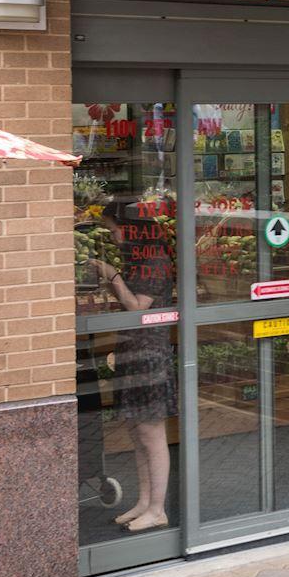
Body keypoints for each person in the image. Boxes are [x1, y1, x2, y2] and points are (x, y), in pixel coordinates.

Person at [87, 220, 176, 533]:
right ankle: (144, 502)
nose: (113, 236)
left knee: (151, 434)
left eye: (115, 230)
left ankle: (157, 509)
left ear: (132, 230)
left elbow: (138, 308)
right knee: (138, 433)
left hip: (150, 355)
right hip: (133, 353)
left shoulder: (154, 261)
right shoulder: (139, 261)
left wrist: (112, 275)